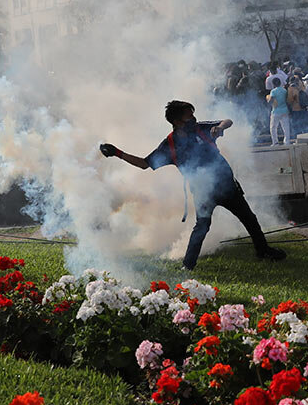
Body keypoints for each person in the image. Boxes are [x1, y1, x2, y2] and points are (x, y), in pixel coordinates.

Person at [99, 101, 285, 270]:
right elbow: (144, 163)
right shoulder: (169, 145)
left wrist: (219, 127)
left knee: (249, 219)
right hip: (204, 192)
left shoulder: (201, 129)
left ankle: (263, 251)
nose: (193, 119)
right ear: (177, 121)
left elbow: (228, 121)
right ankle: (188, 266)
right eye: (189, 116)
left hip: (227, 186)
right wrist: (117, 152)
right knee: (202, 227)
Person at [265, 76, 291, 146]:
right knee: (286, 127)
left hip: (276, 111)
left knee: (273, 127)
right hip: (285, 110)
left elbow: (271, 100)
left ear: (273, 84)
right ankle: (287, 142)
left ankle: (275, 142)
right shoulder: (284, 90)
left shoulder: (273, 91)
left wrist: (268, 100)